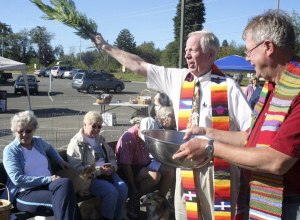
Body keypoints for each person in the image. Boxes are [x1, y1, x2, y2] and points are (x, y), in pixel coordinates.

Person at [92, 30, 252, 219]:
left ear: (210, 54)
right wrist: (106, 47)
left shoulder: (228, 87)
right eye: (186, 50)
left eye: (192, 50)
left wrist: (212, 141)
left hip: (217, 169)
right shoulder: (178, 78)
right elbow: (139, 65)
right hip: (185, 167)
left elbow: (249, 133)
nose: (186, 55)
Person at [173, 10, 300, 220]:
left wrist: (209, 147)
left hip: (288, 205)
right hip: (262, 195)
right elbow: (248, 137)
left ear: (268, 47)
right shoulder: (273, 88)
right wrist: (206, 132)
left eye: (249, 51)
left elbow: (276, 161)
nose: (246, 57)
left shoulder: (295, 91)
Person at [1, 110, 81, 220]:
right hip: (25, 193)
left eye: (28, 131)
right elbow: (17, 179)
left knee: (65, 183)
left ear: (33, 130)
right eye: (20, 131)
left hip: (47, 186)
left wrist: (59, 160)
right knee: (67, 202)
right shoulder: (10, 151)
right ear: (15, 131)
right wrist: (48, 179)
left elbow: (50, 148)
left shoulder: (38, 142)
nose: (25, 134)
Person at [67, 111, 128, 220]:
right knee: (111, 192)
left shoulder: (100, 139)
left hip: (107, 173)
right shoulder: (76, 143)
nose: (96, 129)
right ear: (85, 124)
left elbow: (111, 156)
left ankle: (116, 217)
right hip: (89, 179)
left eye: (99, 126)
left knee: (123, 188)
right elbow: (77, 169)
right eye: (93, 126)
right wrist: (100, 170)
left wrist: (113, 167)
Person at [115, 117, 175, 218]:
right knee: (155, 176)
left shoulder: (146, 133)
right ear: (139, 127)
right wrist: (133, 189)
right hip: (131, 167)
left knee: (169, 170)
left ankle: (158, 203)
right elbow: (126, 166)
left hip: (144, 163)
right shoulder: (128, 138)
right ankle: (134, 200)